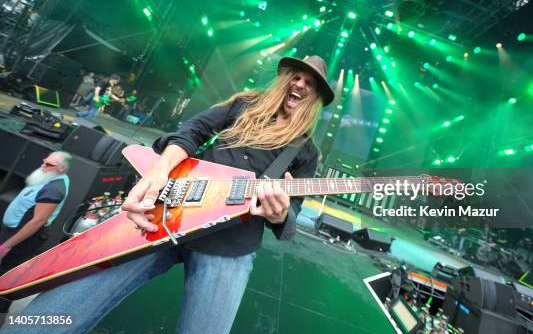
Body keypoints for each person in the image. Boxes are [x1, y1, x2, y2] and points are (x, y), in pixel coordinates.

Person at [2, 56, 335, 334]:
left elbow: (288, 219)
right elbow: (191, 131)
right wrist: (160, 173)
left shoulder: (305, 150)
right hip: (165, 214)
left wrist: (279, 214)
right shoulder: (244, 104)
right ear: (285, 79)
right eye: (297, 76)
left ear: (316, 97)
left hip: (230, 247)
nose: (301, 85)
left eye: (310, 83)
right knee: (54, 312)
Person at [0, 152, 71, 317]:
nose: (43, 165)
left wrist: (5, 247)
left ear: (62, 169)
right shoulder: (49, 178)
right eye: (45, 161)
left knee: (6, 277)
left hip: (23, 239)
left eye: (49, 165)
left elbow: (37, 222)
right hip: (15, 232)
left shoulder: (54, 189)